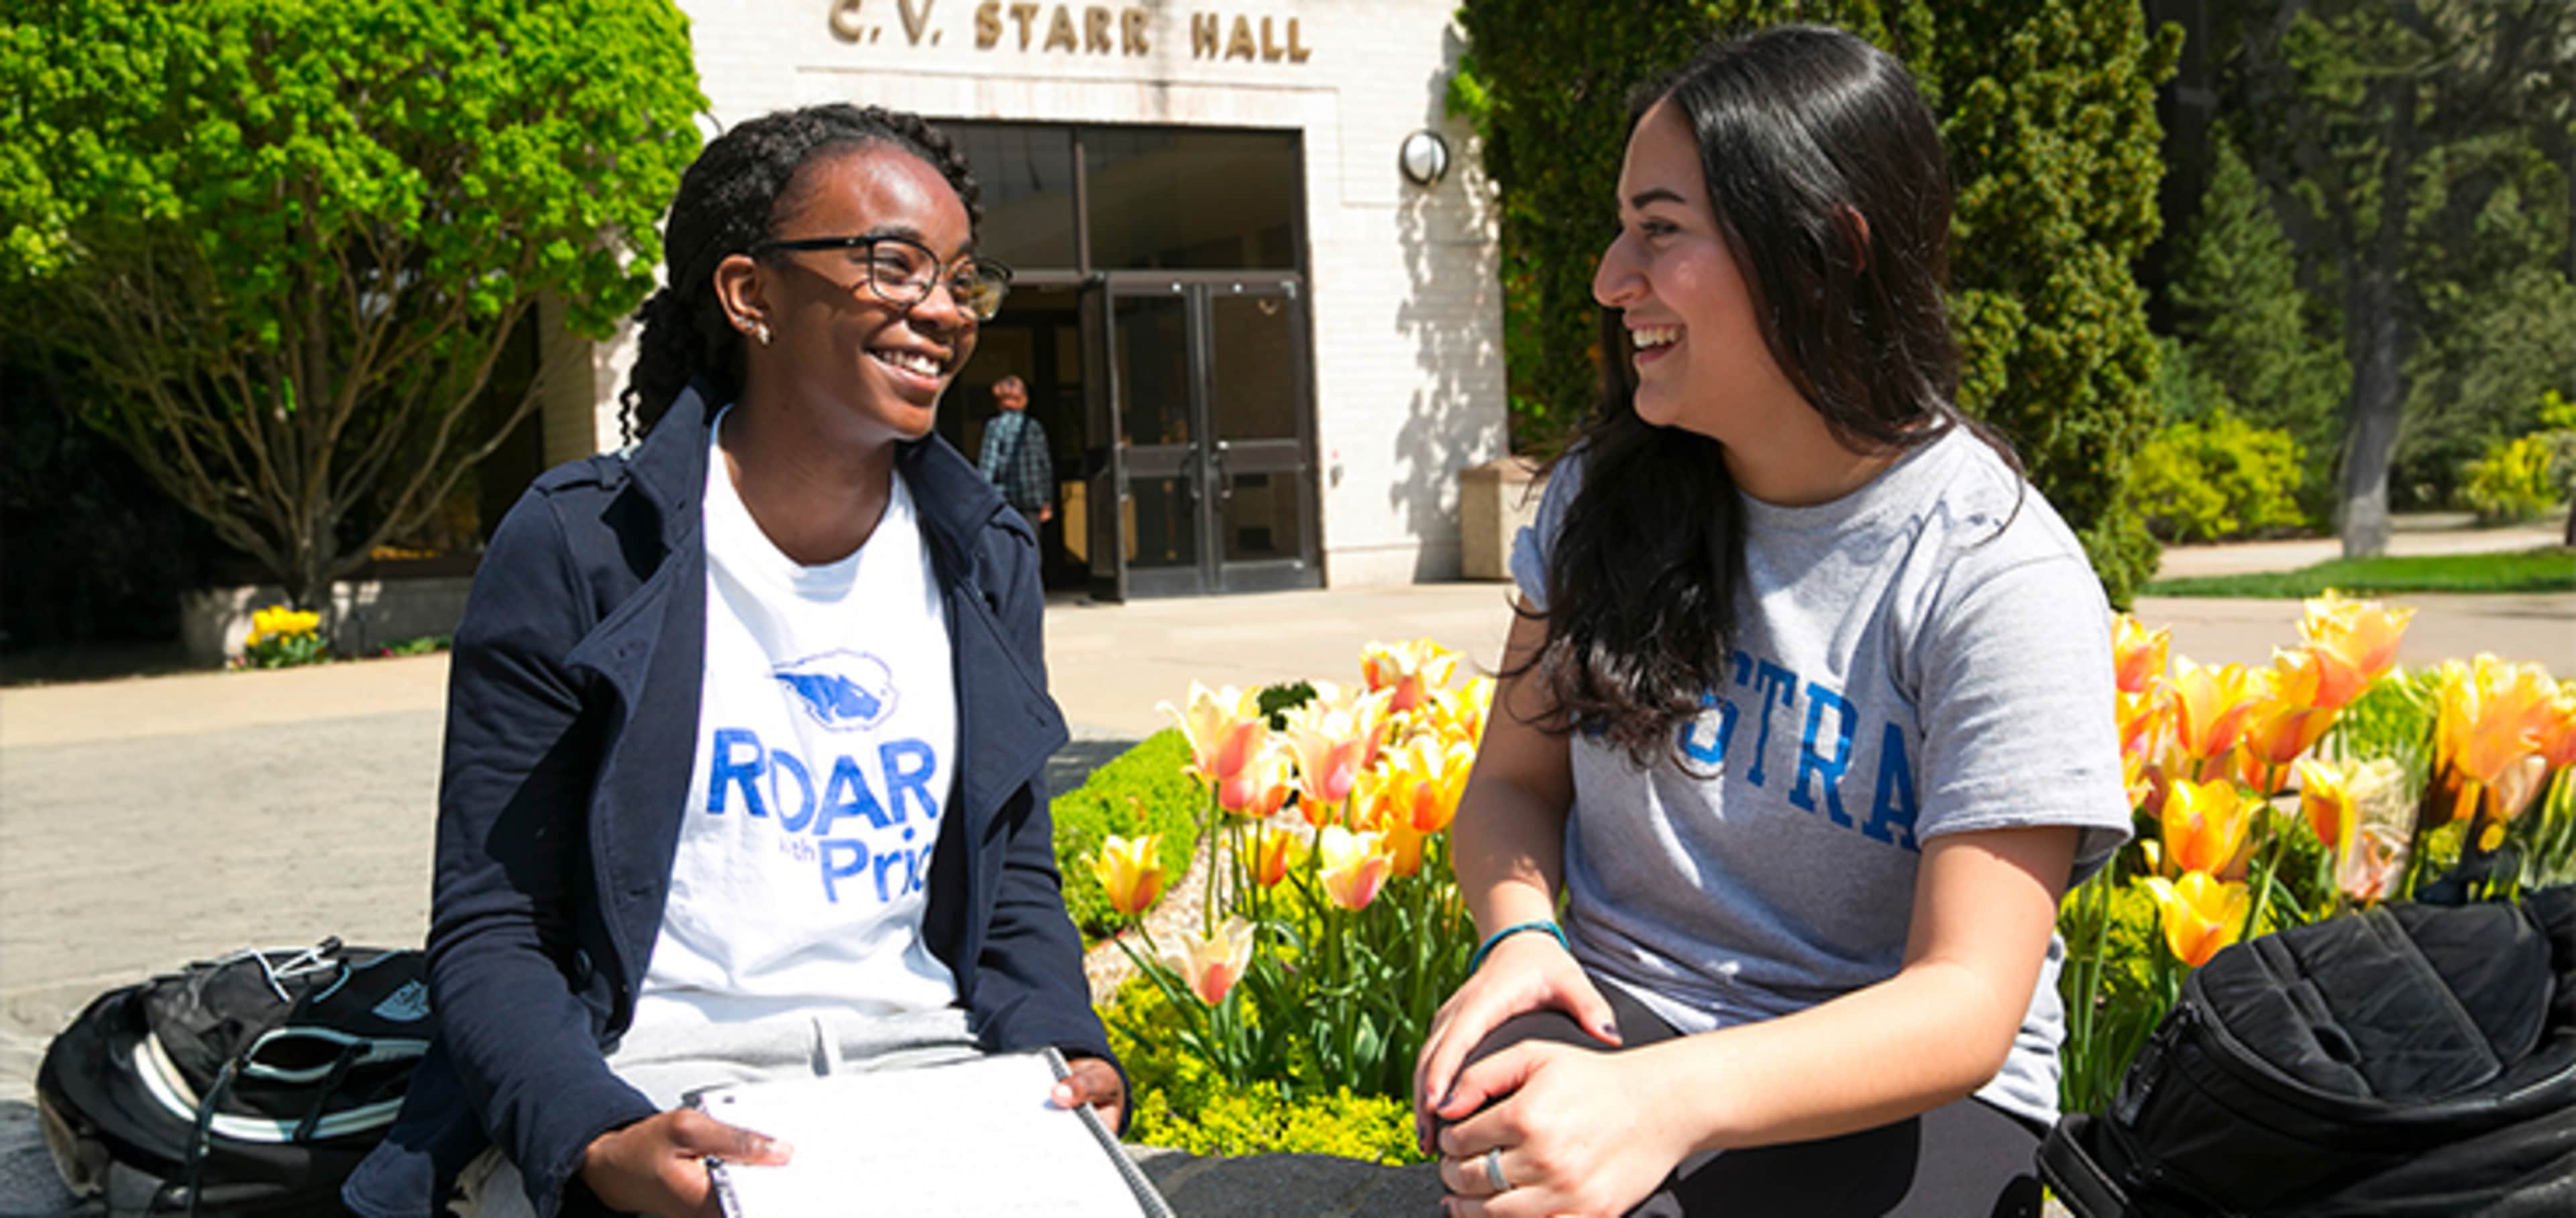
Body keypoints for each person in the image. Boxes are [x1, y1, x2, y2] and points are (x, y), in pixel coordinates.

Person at [343, 103, 1120, 1218]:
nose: (943, 311)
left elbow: (1015, 882)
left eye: (960, 278)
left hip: (933, 1088)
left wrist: (1061, 1045)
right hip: (658, 1090)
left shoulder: (981, 552)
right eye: (895, 265)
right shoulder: (581, 546)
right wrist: (597, 1136)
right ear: (750, 295)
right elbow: (495, 926)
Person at [1409, 25, 2131, 1218]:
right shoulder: (1607, 498)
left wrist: (1666, 1099)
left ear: (1827, 248)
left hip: (1900, 1092)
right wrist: (1520, 941)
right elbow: (1510, 788)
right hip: (1627, 1010)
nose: (1608, 279)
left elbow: (1965, 999)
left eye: (1660, 229)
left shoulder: (1993, 571)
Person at [975, 375, 1054, 530]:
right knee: (1031, 544)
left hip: (1006, 499)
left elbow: (988, 466)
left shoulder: (995, 426)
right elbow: (1044, 466)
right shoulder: (1034, 426)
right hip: (1033, 500)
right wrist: (1047, 501)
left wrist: (983, 499)